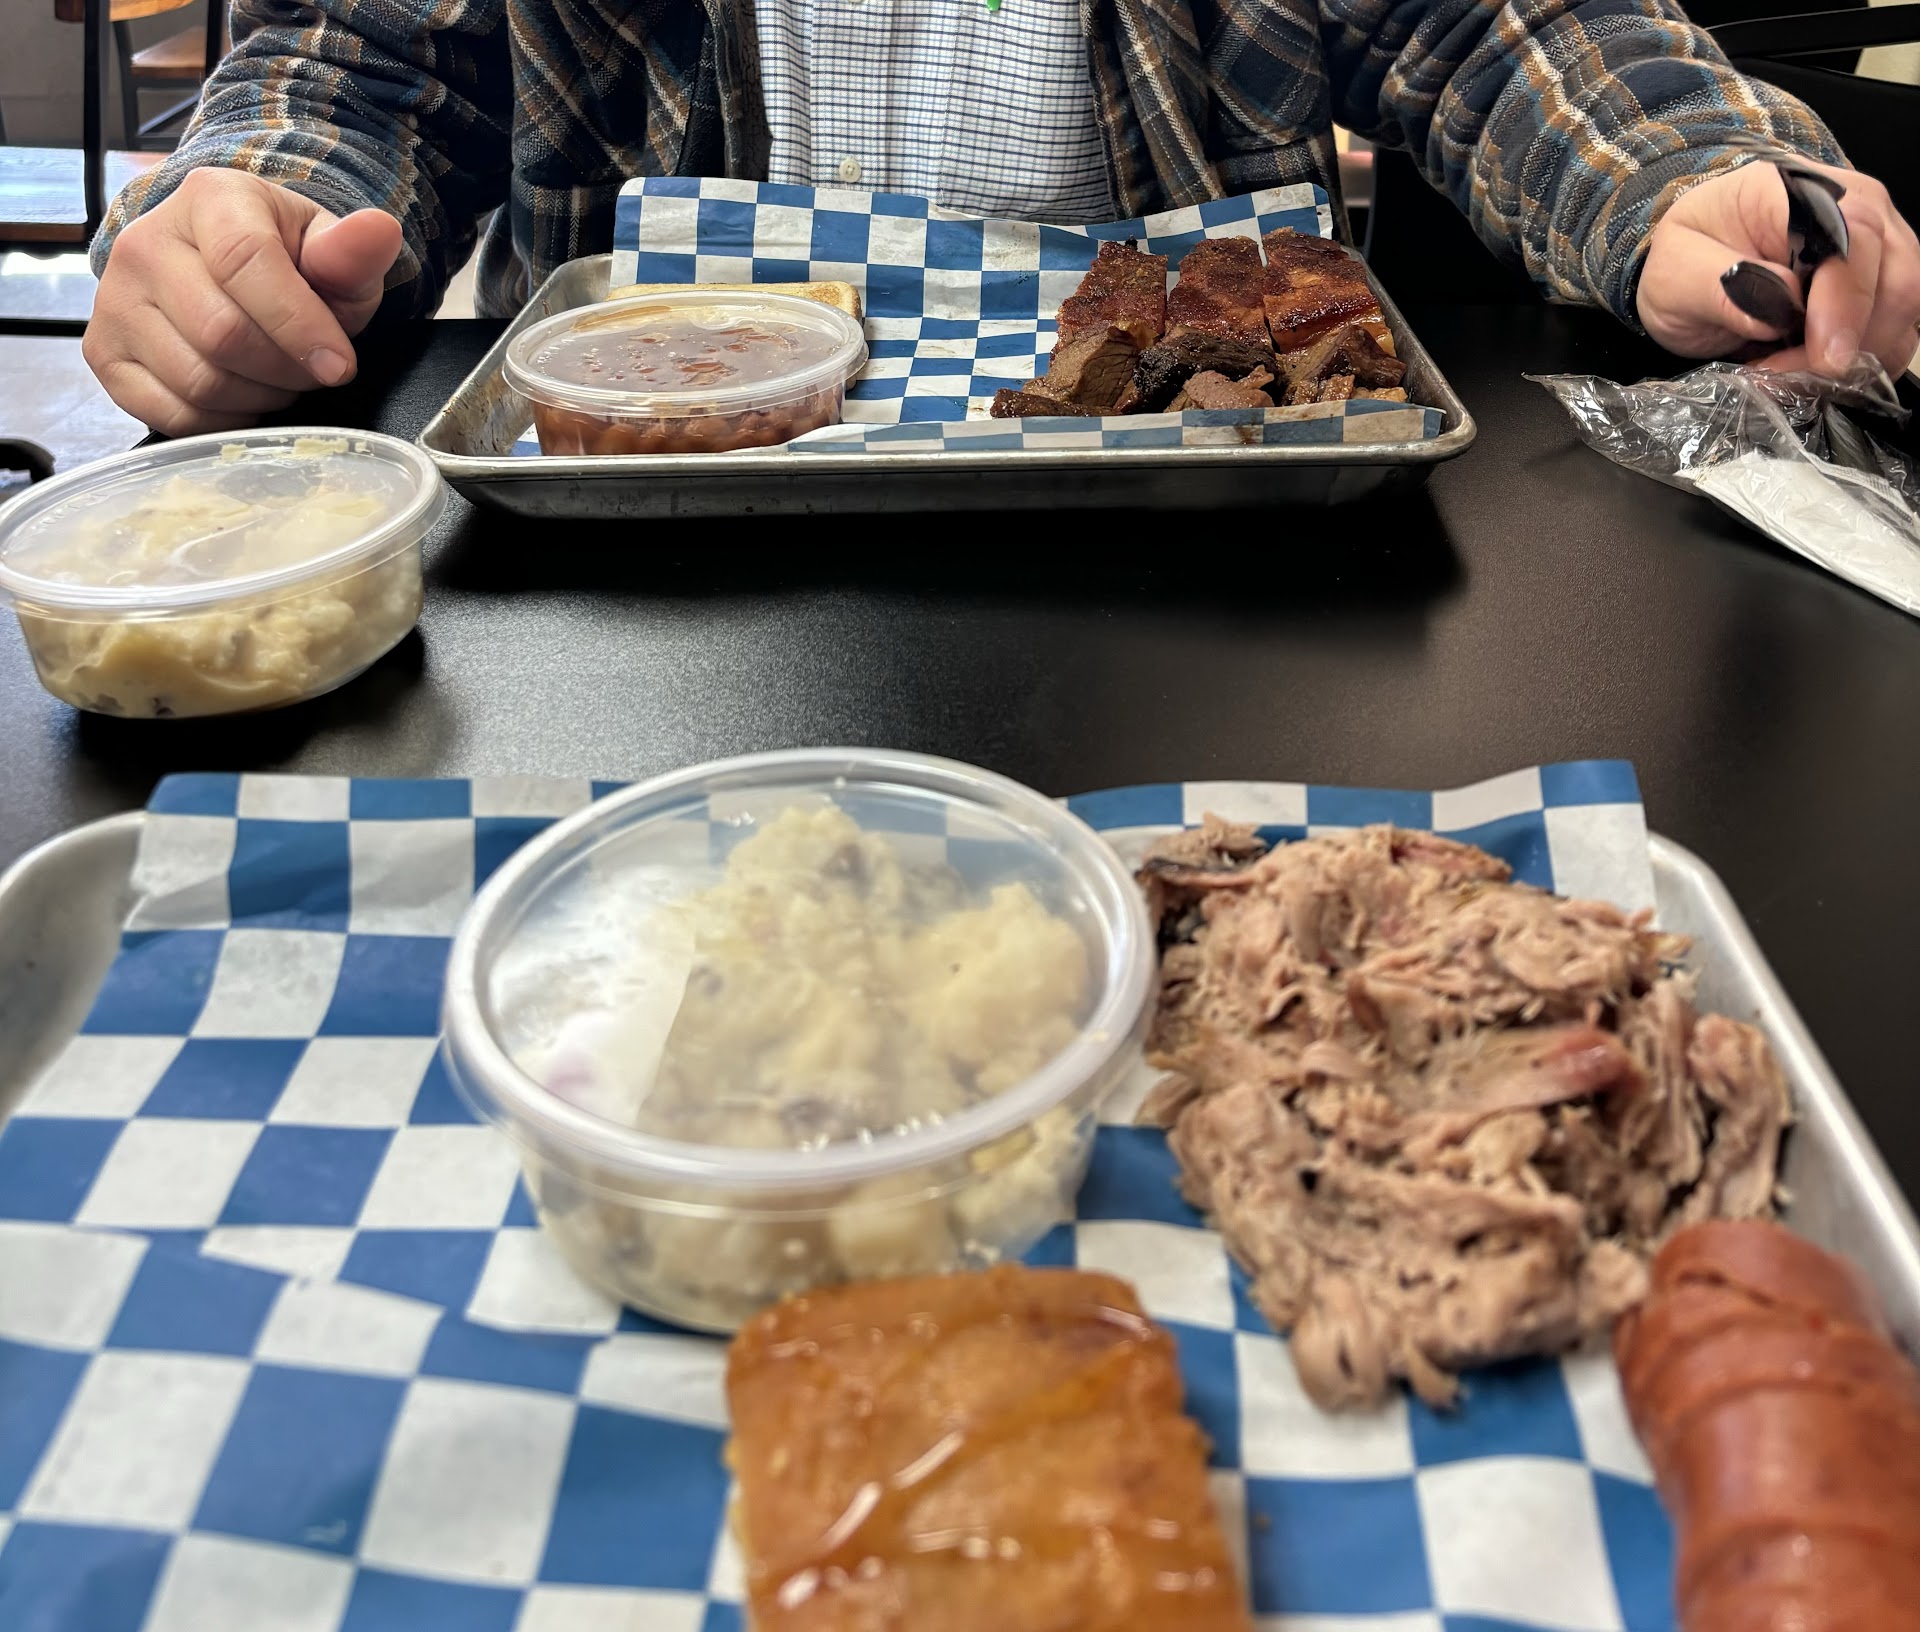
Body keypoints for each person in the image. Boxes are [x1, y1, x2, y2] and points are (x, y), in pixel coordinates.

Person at [81, 0, 1920, 435]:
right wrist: (248, 220)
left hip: (1188, 543)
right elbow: (359, 67)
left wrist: (1679, 175)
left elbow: (1503, 28)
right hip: (637, 561)